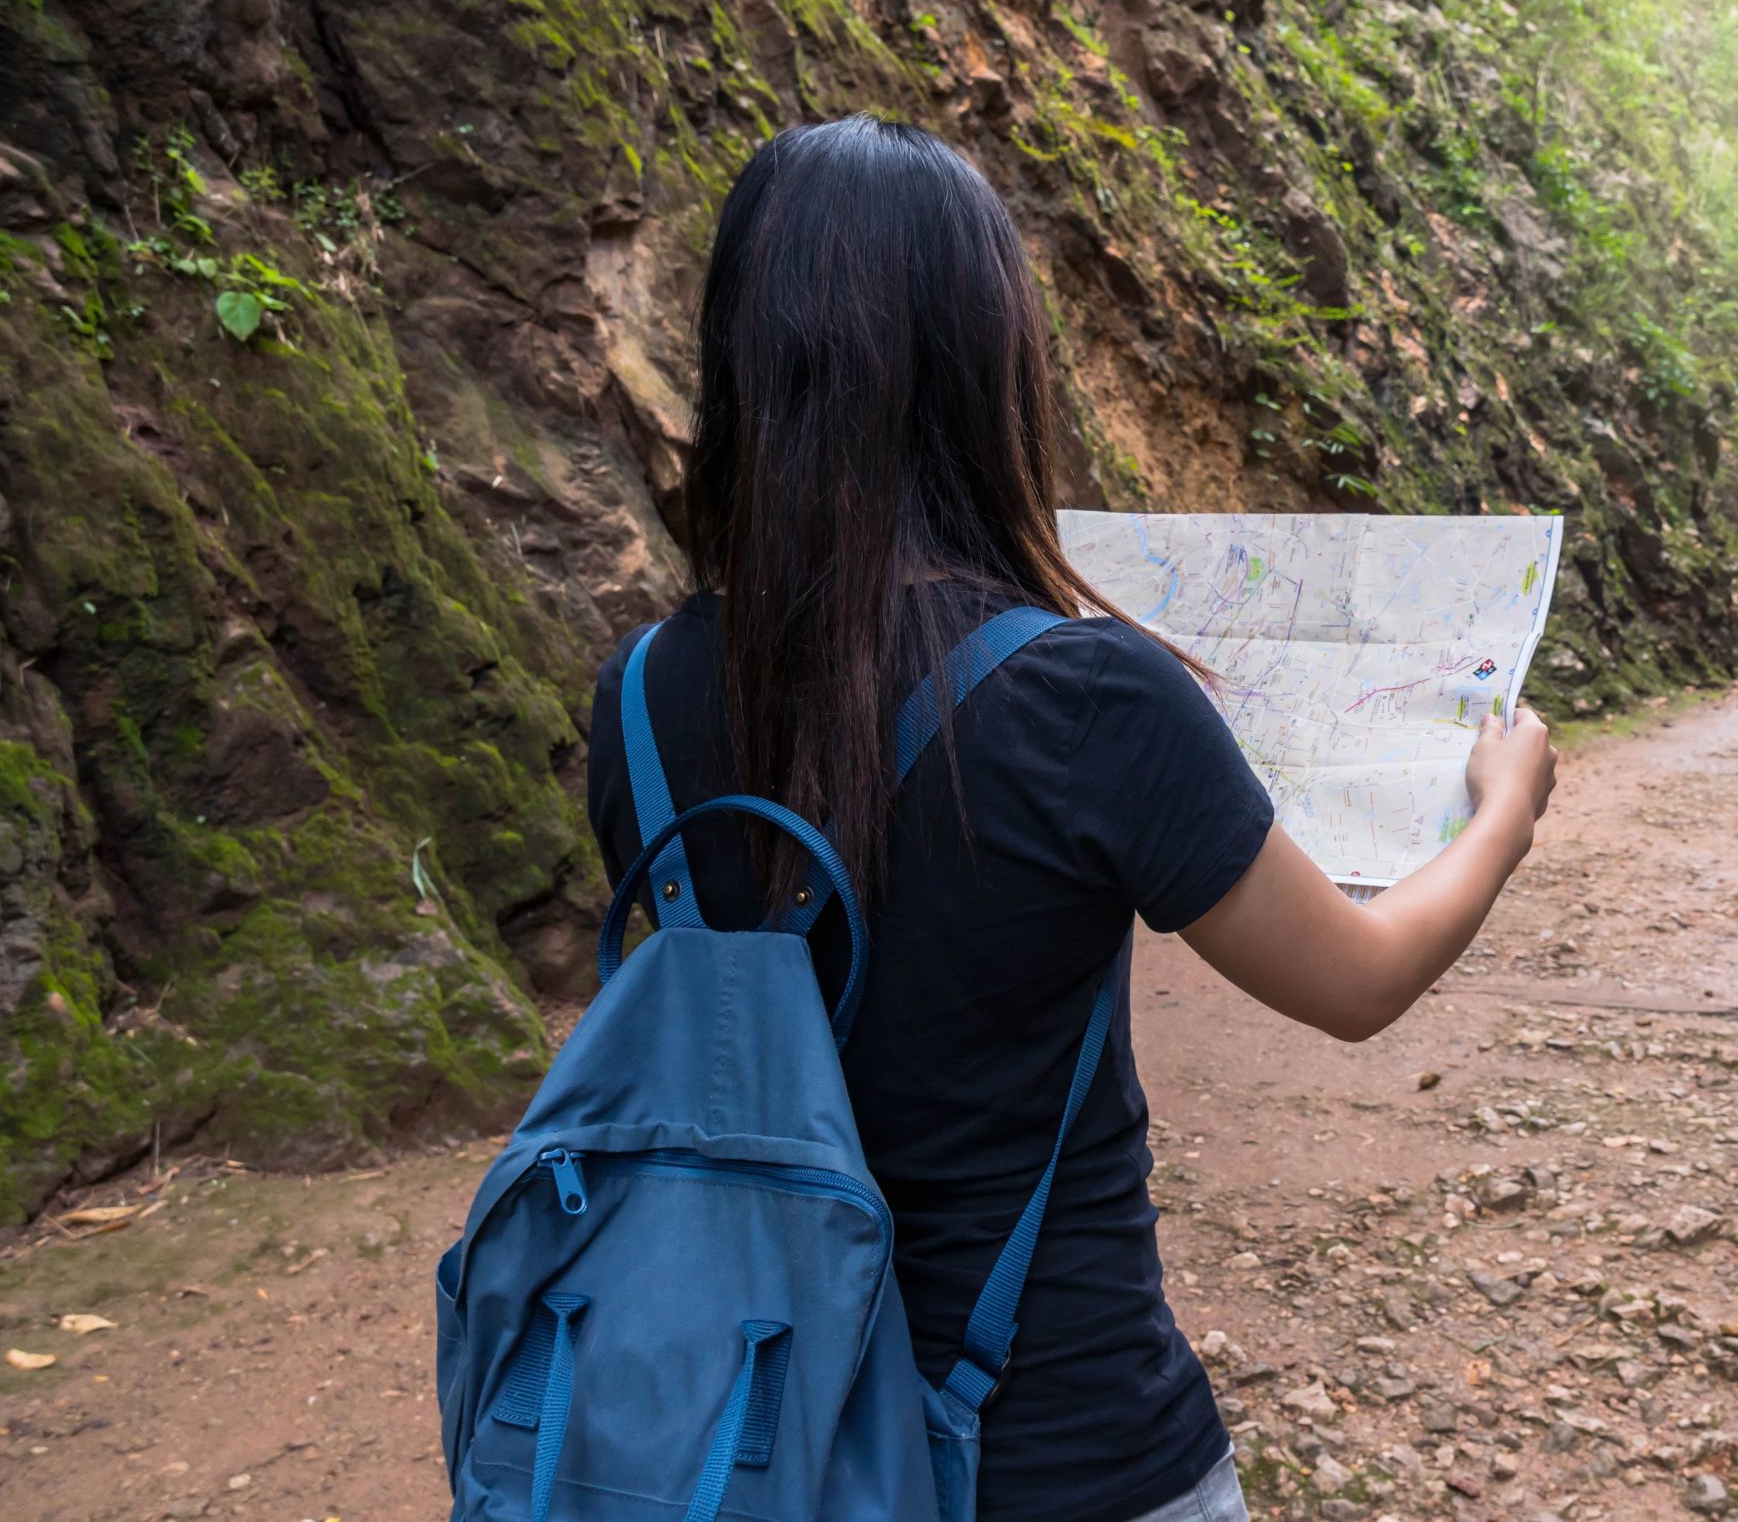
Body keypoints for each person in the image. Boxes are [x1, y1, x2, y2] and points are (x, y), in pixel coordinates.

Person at [586, 115, 1557, 1522]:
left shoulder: (637, 700)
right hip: (1071, 1456)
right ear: (988, 371)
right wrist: (1502, 813)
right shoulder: (1089, 697)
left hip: (747, 1452)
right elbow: (1360, 979)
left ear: (742, 361)